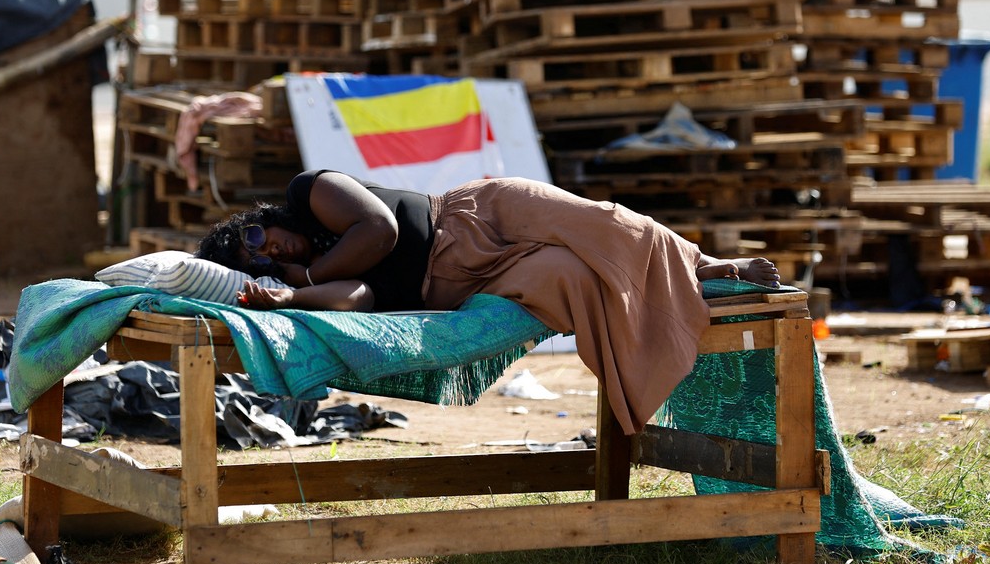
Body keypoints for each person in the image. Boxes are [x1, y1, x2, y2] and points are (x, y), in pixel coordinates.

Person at [196, 169, 781, 435]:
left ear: (263, 220)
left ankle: (705, 265)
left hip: (478, 216)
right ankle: (690, 295)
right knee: (581, 277)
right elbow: (360, 296)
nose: (268, 247)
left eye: (256, 236)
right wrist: (293, 292)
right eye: (259, 259)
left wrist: (311, 268)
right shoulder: (307, 280)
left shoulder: (311, 192)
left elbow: (380, 230)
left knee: (607, 227)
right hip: (469, 281)